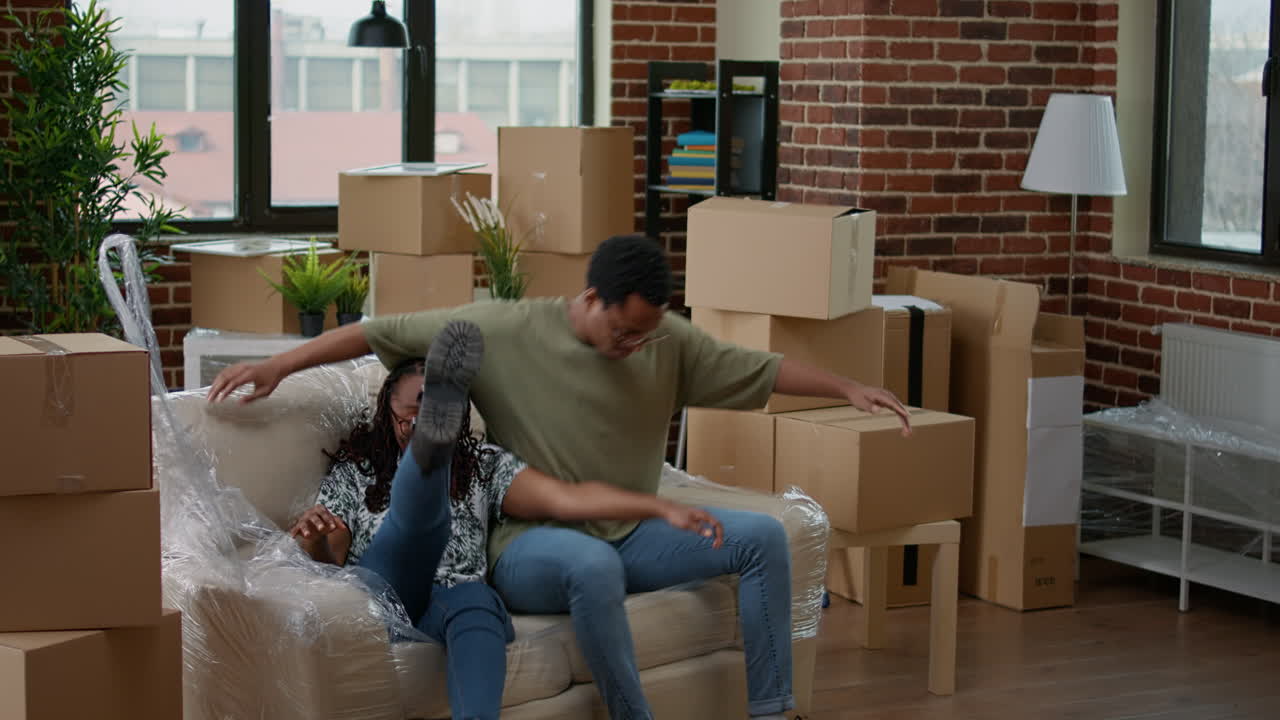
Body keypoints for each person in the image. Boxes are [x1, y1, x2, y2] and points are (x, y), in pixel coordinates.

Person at [211, 234, 910, 720]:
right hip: (530, 539)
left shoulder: (665, 342)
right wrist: (278, 365)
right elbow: (377, 331)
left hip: (627, 527)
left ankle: (772, 708)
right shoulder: (506, 328)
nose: (636, 347)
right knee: (591, 562)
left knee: (762, 539)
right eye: (625, 331)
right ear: (593, 298)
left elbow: (760, 369)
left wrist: (848, 386)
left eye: (647, 335)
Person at [290, 339, 725, 720]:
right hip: (391, 592)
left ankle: (429, 464)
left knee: (476, 599)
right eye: (411, 415)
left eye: (437, 414)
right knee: (415, 527)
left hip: (453, 596)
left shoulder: (484, 466)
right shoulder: (355, 471)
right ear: (386, 410)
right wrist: (313, 539)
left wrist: (656, 507)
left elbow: (565, 499)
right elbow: (333, 561)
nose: (415, 422)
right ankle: (427, 464)